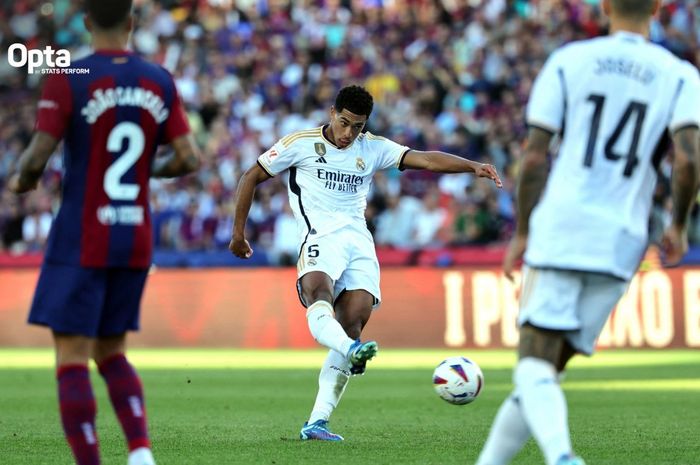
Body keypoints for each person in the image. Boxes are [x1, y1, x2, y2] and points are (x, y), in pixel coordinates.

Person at [475, 1, 700, 464]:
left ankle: (562, 456)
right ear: (657, 7)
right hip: (623, 240)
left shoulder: (570, 61)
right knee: (544, 373)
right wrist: (678, 223)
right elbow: (689, 158)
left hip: (564, 227)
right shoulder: (678, 74)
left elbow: (535, 156)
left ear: (603, 6)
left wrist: (522, 231)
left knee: (533, 364)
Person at [229, 85, 502, 441]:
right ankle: (351, 352)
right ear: (332, 113)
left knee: (352, 324)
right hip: (319, 237)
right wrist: (238, 233)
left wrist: (472, 166)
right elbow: (251, 175)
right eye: (344, 123)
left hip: (358, 243)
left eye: (357, 126)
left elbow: (427, 160)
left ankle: (317, 422)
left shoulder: (372, 148)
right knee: (319, 295)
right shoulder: (300, 143)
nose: (348, 133)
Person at [7, 1, 200, 464]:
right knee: (112, 351)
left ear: (88, 22)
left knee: (72, 356)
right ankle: (139, 453)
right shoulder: (159, 79)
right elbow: (189, 158)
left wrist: (21, 181)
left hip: (82, 233)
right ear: (132, 24)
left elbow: (36, 157)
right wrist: (144, 173)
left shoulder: (69, 76)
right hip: (134, 233)